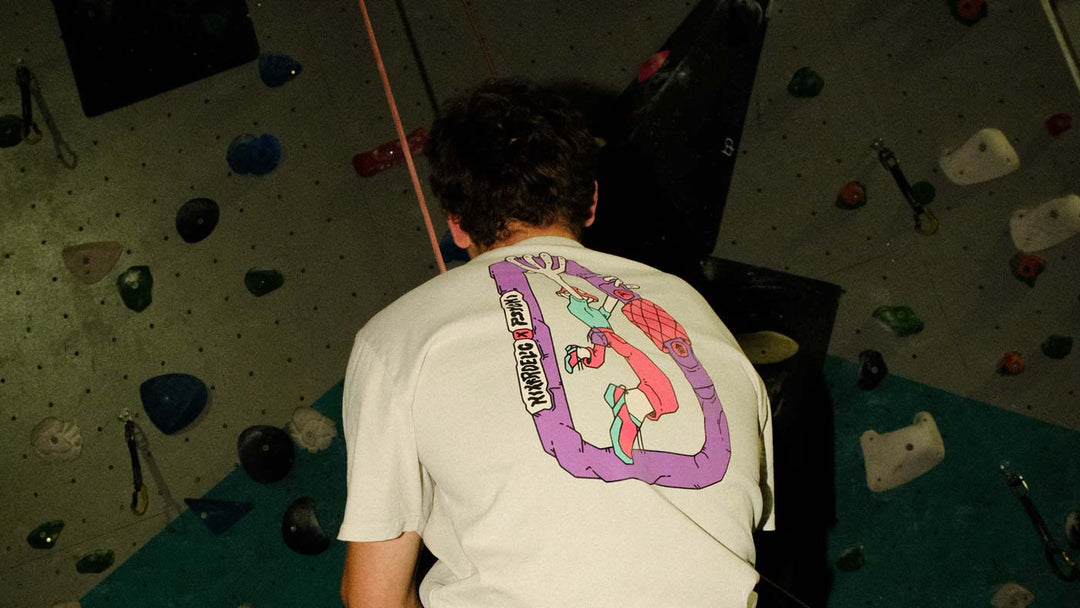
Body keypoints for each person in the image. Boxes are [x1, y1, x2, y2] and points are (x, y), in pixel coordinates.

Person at [338, 78, 774, 608]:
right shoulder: (695, 311)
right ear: (591, 201)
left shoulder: (395, 338)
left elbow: (375, 599)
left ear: (455, 224)